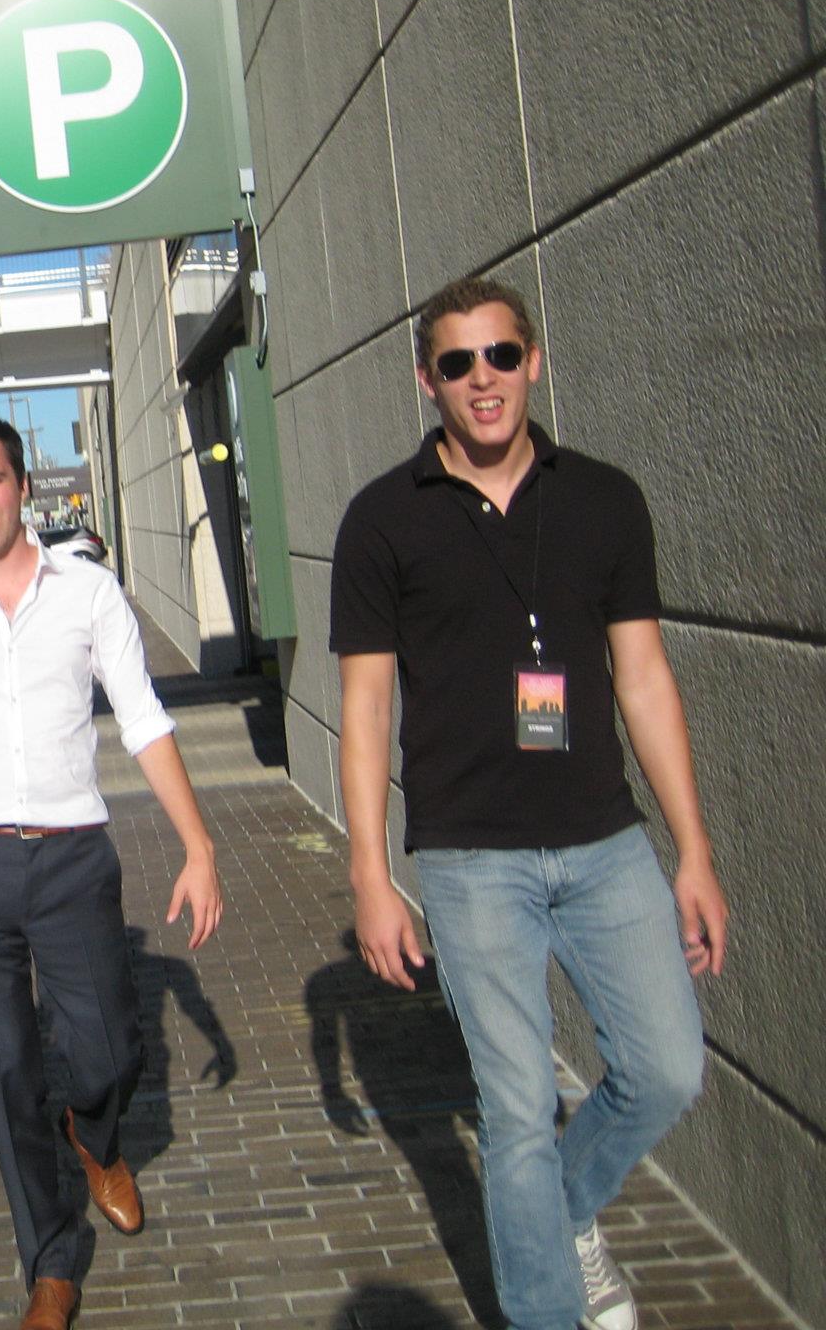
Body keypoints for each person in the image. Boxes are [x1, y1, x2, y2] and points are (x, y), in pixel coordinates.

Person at [332, 276, 728, 1330]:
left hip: (604, 844)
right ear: (427, 381)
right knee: (511, 1116)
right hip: (468, 863)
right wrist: (371, 877)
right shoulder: (381, 520)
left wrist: (690, 851)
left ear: (531, 361)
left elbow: (640, 678)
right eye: (456, 364)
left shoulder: (603, 499)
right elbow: (365, 708)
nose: (481, 380)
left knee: (662, 1071)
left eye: (499, 355)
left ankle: (555, 1219)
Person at [0, 410, 223, 1330]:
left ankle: (97, 1134)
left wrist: (200, 846)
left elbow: (142, 716)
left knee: (105, 1046)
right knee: (5, 1077)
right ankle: (54, 1261)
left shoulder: (88, 591)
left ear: (25, 484)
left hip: (72, 861)